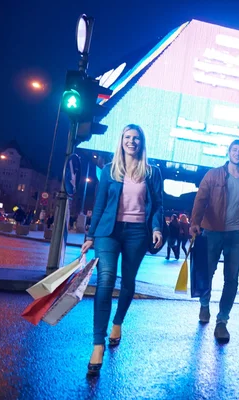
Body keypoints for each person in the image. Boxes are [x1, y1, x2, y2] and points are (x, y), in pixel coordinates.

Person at [80, 124, 163, 376]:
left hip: (138, 233)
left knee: (127, 282)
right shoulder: (109, 170)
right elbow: (100, 203)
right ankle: (97, 344)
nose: (132, 141)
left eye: (136, 138)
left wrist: (157, 228)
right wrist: (91, 236)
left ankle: (118, 322)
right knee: (104, 282)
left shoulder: (152, 172)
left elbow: (158, 204)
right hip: (108, 232)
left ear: (142, 143)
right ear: (121, 141)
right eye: (127, 137)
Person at [190, 139, 239, 342]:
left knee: (232, 279)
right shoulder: (214, 174)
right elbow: (200, 199)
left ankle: (222, 321)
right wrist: (195, 222)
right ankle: (204, 304)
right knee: (207, 273)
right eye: (235, 150)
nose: (237, 153)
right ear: (228, 152)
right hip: (212, 232)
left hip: (236, 236)